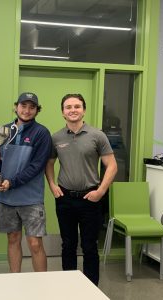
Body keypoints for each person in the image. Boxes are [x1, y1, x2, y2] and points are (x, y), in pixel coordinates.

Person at [45, 93, 117, 285]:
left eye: (77, 106)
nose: (73, 110)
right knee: (68, 245)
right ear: (63, 112)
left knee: (89, 247)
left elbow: (112, 165)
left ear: (83, 110)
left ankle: (91, 289)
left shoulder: (97, 135)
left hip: (90, 199)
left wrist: (101, 191)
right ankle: (70, 288)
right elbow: (49, 163)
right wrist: (52, 185)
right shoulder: (56, 137)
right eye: (68, 107)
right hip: (65, 198)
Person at [0, 92, 52, 272]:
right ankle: (15, 282)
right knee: (12, 239)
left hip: (31, 200)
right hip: (6, 198)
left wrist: (11, 182)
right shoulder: (3, 130)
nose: (27, 110)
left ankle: (41, 287)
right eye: (23, 106)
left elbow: (36, 166)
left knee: (35, 244)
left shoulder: (42, 133)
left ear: (37, 110)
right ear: (16, 107)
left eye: (32, 107)